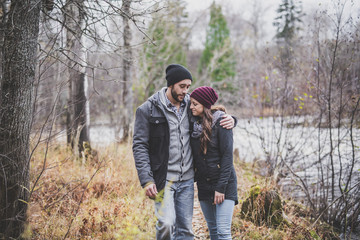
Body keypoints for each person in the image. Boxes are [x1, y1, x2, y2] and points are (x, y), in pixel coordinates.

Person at [132, 64, 235, 240]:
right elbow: (140, 145)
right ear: (171, 84)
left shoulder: (190, 105)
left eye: (188, 86)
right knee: (166, 223)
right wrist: (146, 180)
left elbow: (213, 114)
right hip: (163, 179)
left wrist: (232, 119)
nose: (185, 91)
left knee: (185, 230)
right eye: (182, 86)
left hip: (187, 180)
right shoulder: (148, 109)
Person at [189, 86, 238, 240]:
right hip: (204, 184)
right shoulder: (193, 122)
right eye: (190, 103)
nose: (191, 107)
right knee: (213, 231)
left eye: (195, 104)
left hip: (224, 183)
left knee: (223, 232)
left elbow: (227, 158)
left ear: (205, 104)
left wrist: (220, 188)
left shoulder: (222, 122)